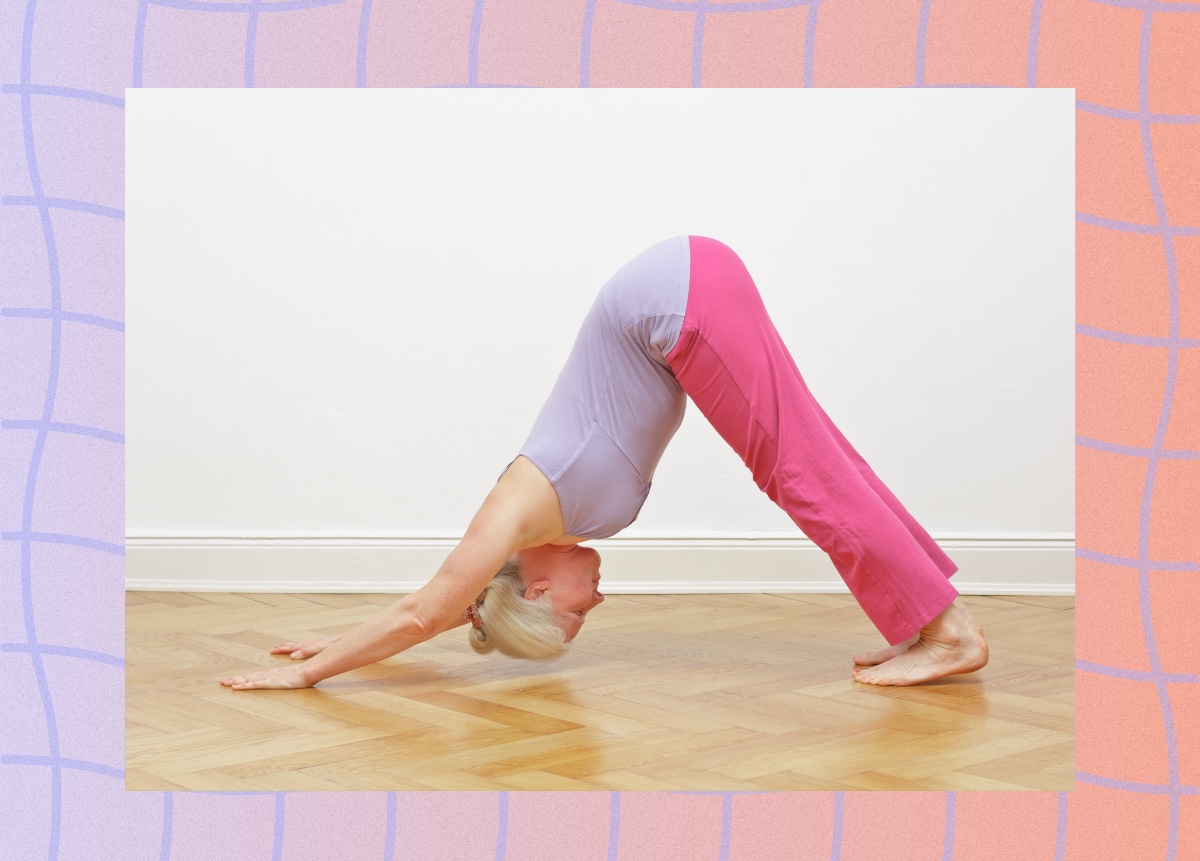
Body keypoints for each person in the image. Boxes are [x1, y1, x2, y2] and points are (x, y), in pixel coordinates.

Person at [220, 235, 988, 692]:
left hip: (678, 301)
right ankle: (928, 621)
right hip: (685, 289)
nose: (595, 605)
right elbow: (461, 607)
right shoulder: (521, 558)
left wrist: (306, 676)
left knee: (798, 468)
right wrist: (337, 642)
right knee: (814, 455)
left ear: (544, 587)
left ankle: (946, 631)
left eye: (575, 615)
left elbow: (426, 608)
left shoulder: (519, 506)